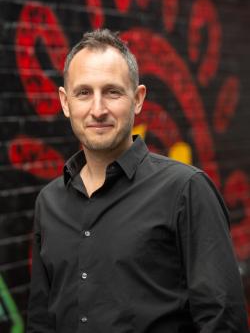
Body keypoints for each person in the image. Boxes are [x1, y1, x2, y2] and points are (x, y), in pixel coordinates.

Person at [27, 28, 249, 332]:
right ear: (65, 103)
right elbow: (41, 320)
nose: (98, 109)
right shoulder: (49, 202)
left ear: (138, 98)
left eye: (112, 92)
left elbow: (223, 320)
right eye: (84, 93)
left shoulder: (185, 190)